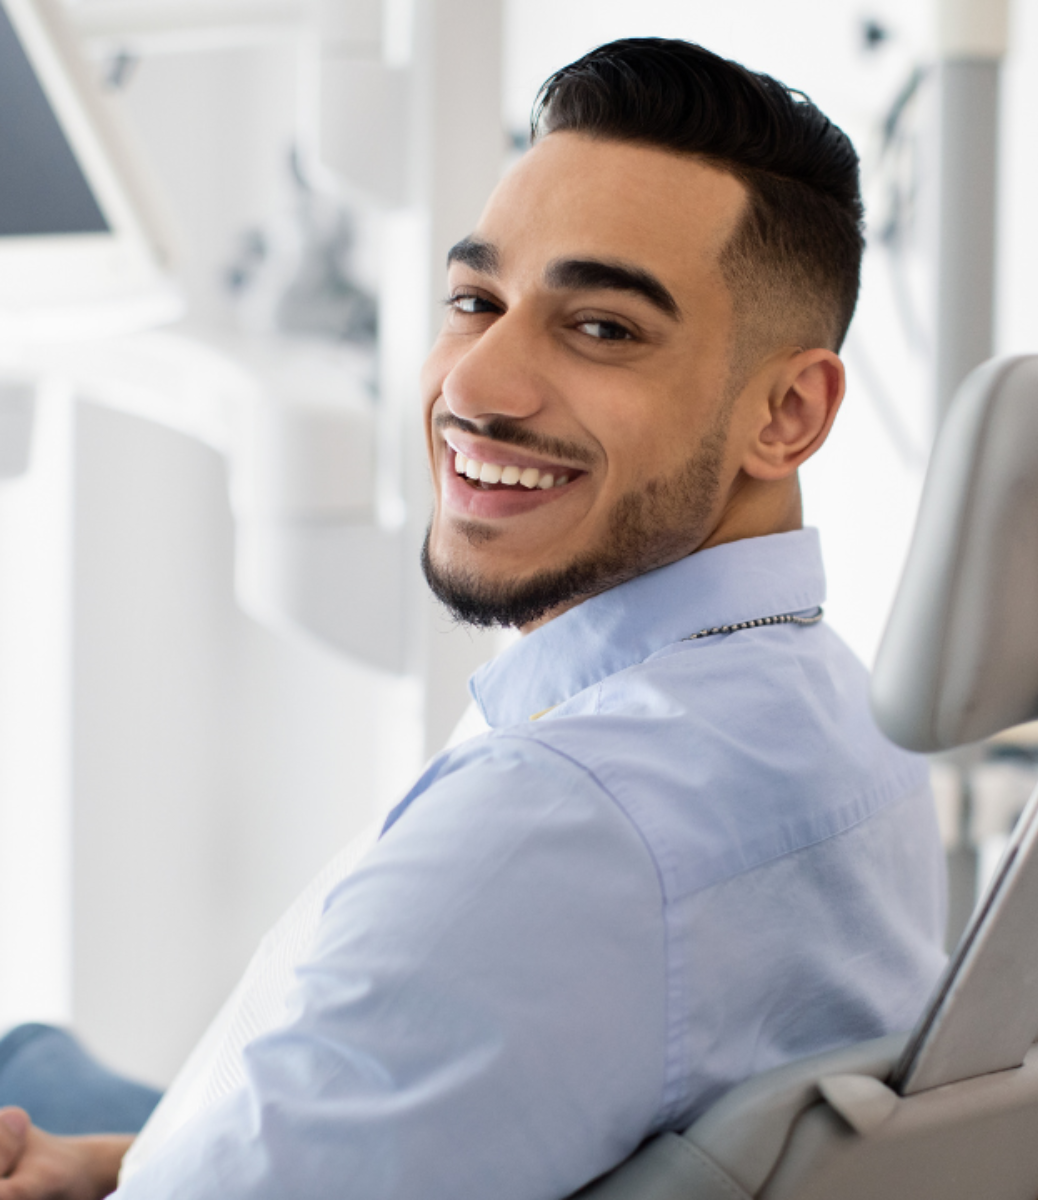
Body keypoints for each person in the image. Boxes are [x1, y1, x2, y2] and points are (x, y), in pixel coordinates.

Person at [0, 37, 946, 1200]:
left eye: (602, 327)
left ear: (787, 412)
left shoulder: (564, 821)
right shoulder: (847, 716)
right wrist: (113, 1167)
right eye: (475, 301)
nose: (474, 388)